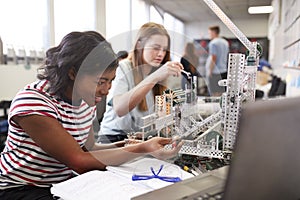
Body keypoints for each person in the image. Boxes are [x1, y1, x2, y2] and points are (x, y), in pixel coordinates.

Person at [0, 31, 182, 200]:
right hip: (21, 188)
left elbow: (88, 148)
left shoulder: (85, 98)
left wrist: (130, 144)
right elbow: (79, 160)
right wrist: (143, 149)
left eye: (110, 81)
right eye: (101, 82)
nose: (106, 90)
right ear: (73, 73)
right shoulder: (34, 102)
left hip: (61, 183)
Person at [98, 22, 183, 143]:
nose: (161, 54)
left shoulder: (160, 75)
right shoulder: (123, 68)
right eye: (155, 48)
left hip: (139, 139)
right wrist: (154, 77)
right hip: (113, 139)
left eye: (164, 50)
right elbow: (120, 109)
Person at [205, 26, 229, 96]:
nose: (209, 35)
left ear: (213, 32)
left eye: (209, 33)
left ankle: (215, 107)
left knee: (215, 94)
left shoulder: (213, 43)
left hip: (215, 72)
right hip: (224, 70)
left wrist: (210, 71)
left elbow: (213, 58)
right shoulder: (225, 42)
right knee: (222, 93)